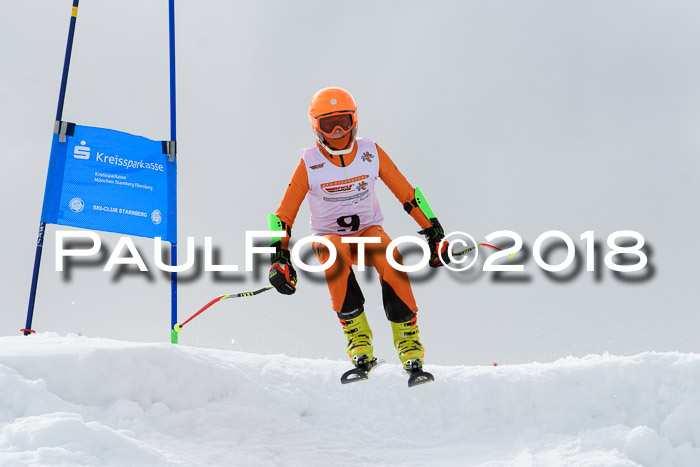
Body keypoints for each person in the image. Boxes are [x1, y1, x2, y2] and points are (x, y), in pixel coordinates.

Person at [267, 87, 449, 375]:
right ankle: (358, 339)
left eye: (344, 121)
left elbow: (407, 193)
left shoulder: (370, 152)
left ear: (355, 121)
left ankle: (408, 341)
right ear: (316, 127)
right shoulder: (310, 163)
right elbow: (283, 215)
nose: (338, 131)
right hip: (330, 238)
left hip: (367, 234)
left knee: (389, 252)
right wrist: (279, 257)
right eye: (329, 124)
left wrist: (434, 232)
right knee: (333, 252)